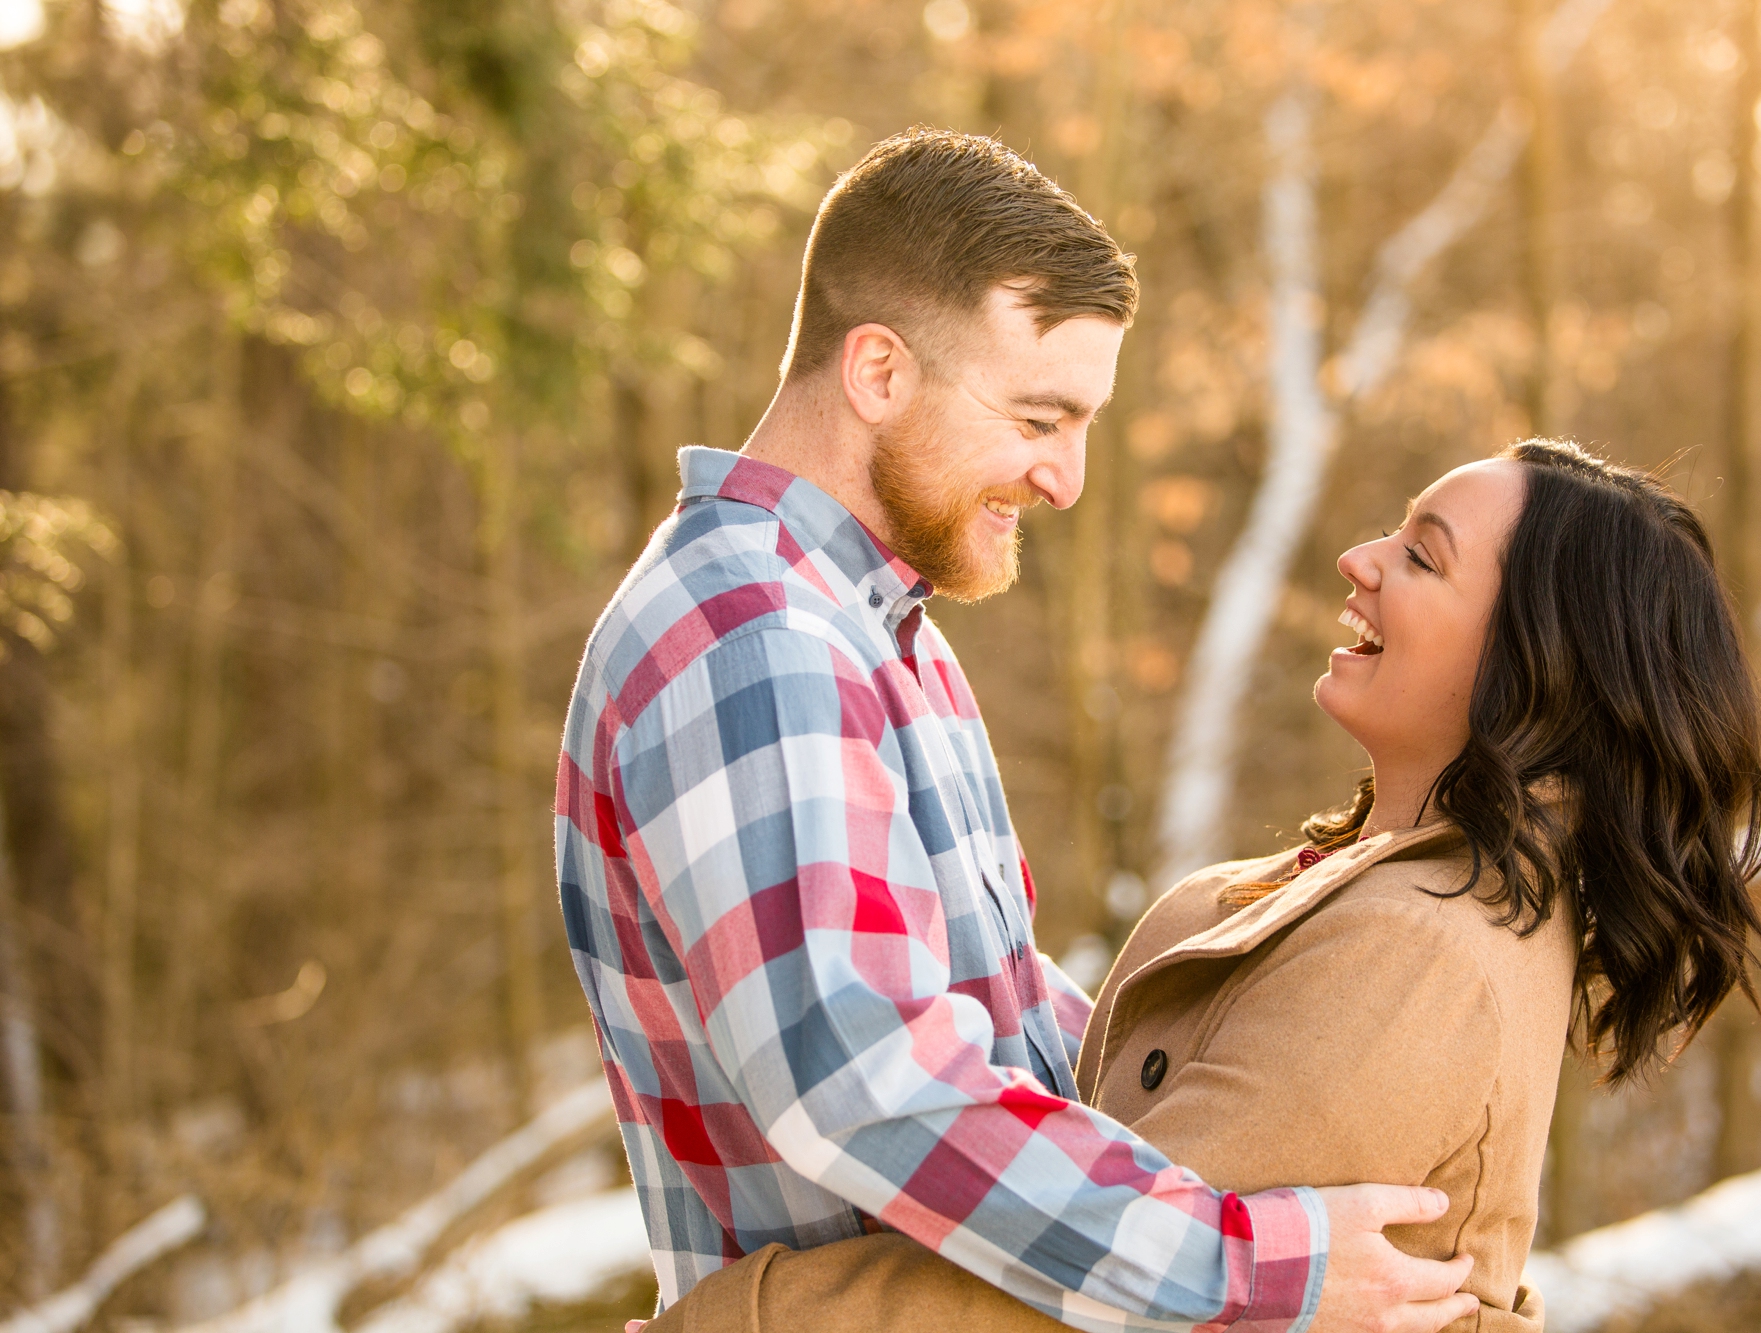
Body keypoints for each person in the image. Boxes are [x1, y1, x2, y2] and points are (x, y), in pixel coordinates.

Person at [555, 127, 1480, 1333]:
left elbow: (988, 1020)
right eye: (1039, 418)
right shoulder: (755, 639)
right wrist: (1246, 1266)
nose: (1067, 480)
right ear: (878, 372)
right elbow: (864, 1082)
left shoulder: (878, 632)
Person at [634, 439, 1761, 1333]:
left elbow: (1085, 1294)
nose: (1360, 558)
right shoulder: (1366, 890)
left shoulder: (1420, 955)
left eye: (1421, 556)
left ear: (1533, 669)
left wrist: (738, 1317)